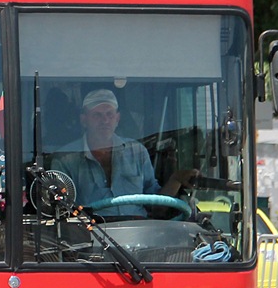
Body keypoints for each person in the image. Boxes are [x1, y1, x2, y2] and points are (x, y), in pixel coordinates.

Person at [52, 89, 197, 218]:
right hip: (91, 239)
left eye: (109, 114)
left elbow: (157, 205)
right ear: (84, 120)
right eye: (97, 115)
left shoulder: (137, 151)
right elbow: (62, 212)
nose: (105, 120)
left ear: (117, 119)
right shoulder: (65, 158)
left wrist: (176, 180)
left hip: (139, 236)